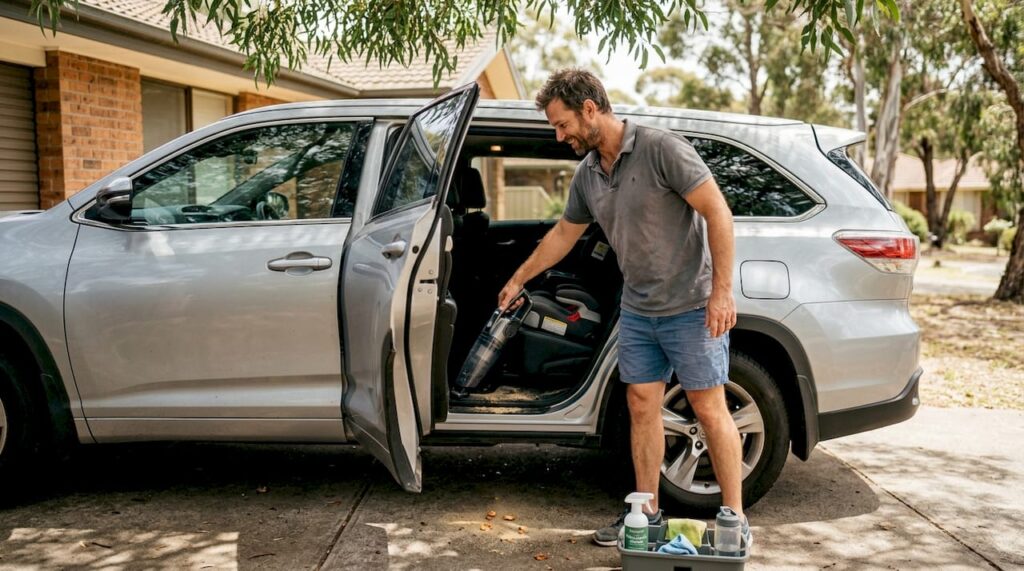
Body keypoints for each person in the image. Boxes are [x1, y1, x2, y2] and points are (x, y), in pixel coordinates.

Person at [496, 68, 751, 547]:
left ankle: (734, 518)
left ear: (589, 109)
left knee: (708, 407)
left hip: (691, 305)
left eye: (562, 123)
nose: (559, 135)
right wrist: (518, 278)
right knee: (640, 405)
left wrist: (721, 291)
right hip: (638, 309)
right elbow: (563, 235)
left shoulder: (660, 149)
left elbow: (717, 210)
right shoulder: (589, 173)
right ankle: (646, 514)